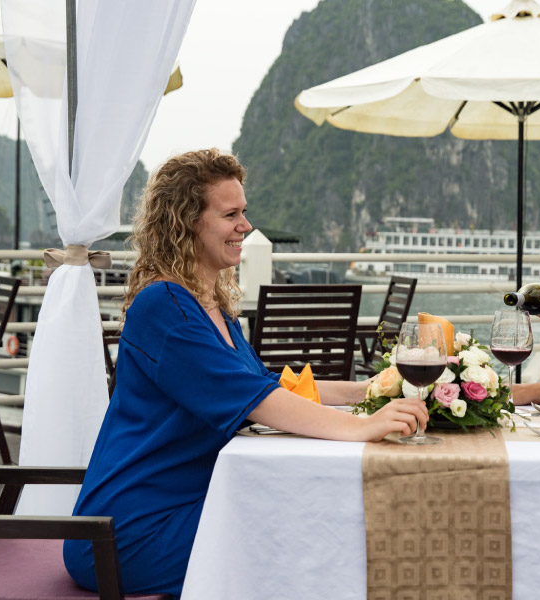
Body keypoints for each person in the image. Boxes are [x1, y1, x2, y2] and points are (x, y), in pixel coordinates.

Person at [63, 149, 428, 597]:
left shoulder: (211, 304)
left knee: (303, 519)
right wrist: (364, 427)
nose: (246, 227)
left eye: (244, 212)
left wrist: (367, 390)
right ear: (187, 222)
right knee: (300, 530)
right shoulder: (164, 306)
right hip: (128, 533)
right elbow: (259, 402)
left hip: (189, 504)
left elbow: (268, 386)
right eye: (231, 214)